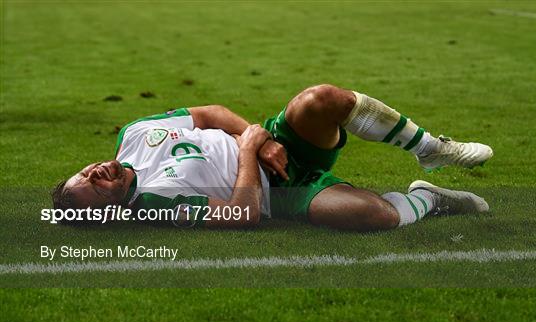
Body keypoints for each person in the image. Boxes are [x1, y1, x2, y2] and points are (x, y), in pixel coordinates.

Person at [52, 84, 492, 230]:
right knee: (373, 216)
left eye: (84, 174)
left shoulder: (133, 134)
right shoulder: (155, 204)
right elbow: (242, 214)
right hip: (282, 193)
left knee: (322, 99)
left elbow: (211, 114)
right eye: (97, 187)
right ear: (112, 208)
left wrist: (258, 139)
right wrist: (248, 152)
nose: (96, 173)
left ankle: (430, 150)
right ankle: (430, 199)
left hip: (275, 145)